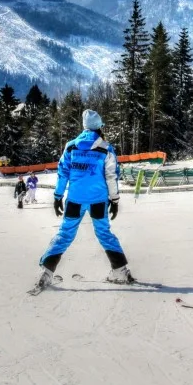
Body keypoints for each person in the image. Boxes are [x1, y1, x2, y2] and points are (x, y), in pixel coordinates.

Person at [34, 110, 133, 291]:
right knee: (104, 233)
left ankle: (46, 272)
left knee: (65, 234)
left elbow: (63, 172)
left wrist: (58, 196)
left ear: (84, 126)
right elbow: (112, 176)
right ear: (99, 126)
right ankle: (119, 270)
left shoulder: (71, 146)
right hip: (98, 200)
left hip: (75, 199)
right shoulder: (106, 148)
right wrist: (115, 200)